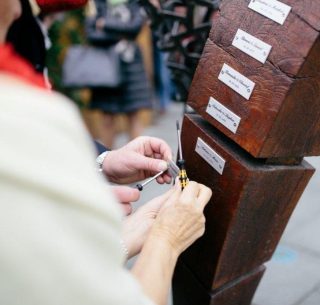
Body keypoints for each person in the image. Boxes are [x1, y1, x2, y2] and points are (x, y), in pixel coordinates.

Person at [0, 2, 212, 305]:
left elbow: (55, 277)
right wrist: (167, 239)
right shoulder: (20, 112)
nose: (21, 9)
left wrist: (104, 164)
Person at [86, 0, 153, 148]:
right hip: (106, 67)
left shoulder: (134, 2)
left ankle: (137, 163)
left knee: (133, 115)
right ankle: (107, 164)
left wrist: (106, 25)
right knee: (107, 117)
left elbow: (135, 28)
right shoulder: (96, 3)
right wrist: (123, 32)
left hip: (131, 66)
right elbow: (91, 34)